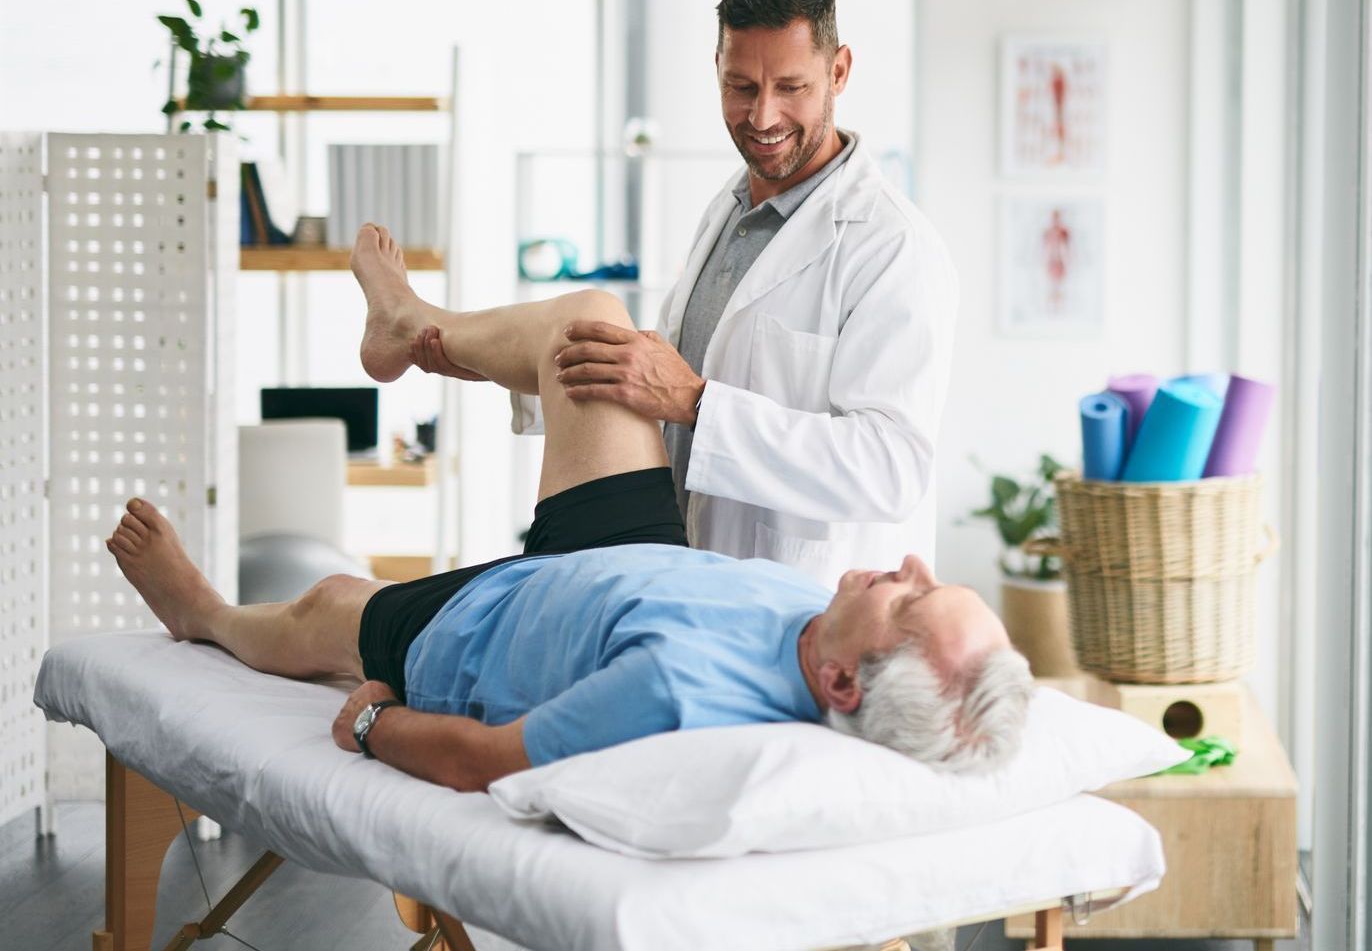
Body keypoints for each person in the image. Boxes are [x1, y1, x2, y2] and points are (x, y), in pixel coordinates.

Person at [104, 226, 1028, 792]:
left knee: (328, 604)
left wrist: (375, 726)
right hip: (631, 556)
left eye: (912, 601)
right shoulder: (816, 615)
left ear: (842, 686)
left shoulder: (674, 689)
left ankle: (203, 614)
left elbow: (484, 759)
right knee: (593, 329)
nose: (913, 565)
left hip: (492, 626)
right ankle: (409, 324)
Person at [420, 0, 959, 587]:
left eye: (791, 87)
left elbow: (890, 470)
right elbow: (658, 391)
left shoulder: (894, 247)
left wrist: (696, 403)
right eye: (741, 87)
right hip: (683, 574)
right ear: (717, 69)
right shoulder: (728, 212)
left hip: (801, 599)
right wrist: (511, 361)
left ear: (838, 71)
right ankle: (429, 329)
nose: (763, 117)